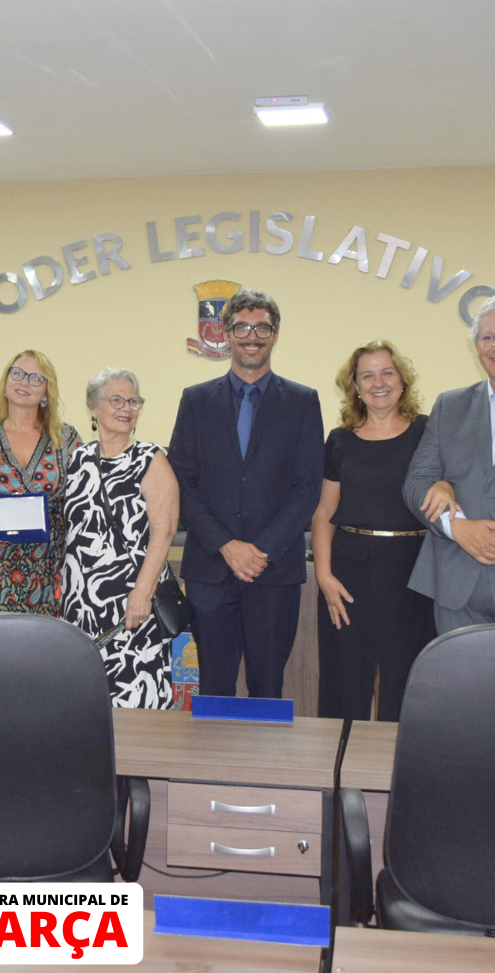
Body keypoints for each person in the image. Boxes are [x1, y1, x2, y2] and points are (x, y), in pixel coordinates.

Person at [168, 288, 322, 698]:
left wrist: (261, 550)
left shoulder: (303, 402)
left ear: (275, 335)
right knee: (214, 687)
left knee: (267, 686)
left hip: (274, 571)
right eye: (241, 328)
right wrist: (226, 545)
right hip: (210, 569)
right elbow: (182, 482)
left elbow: (307, 487)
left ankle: (263, 749)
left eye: (261, 328)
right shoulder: (196, 400)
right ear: (226, 334)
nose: (251, 337)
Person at [403, 293, 495, 632]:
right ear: (476, 347)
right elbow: (417, 483)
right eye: (487, 337)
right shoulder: (450, 405)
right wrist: (456, 527)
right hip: (457, 592)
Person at [311, 342, 436, 722]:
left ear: (402, 379)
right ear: (355, 385)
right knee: (346, 678)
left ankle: (398, 761)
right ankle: (341, 760)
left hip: (413, 571)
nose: (378, 382)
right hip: (350, 572)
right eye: (367, 375)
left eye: (387, 372)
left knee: (407, 677)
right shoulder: (340, 439)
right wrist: (324, 576)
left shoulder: (429, 431)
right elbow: (324, 513)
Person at [61, 368, 179, 707]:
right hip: (81, 606)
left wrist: (142, 594)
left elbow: (165, 530)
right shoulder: (77, 459)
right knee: (84, 701)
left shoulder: (151, 459)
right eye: (116, 400)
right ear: (93, 408)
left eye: (133, 401)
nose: (126, 408)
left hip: (132, 605)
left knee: (135, 696)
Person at [0, 349, 82, 617]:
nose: (24, 382)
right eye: (17, 373)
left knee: (47, 644)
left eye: (36, 378)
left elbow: (82, 499)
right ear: (5, 382)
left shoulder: (67, 439)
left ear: (47, 391)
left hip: (50, 571)